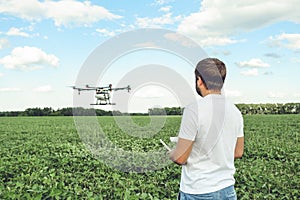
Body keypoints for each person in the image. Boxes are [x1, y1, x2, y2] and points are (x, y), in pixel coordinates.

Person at [169, 58, 244, 200]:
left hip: (198, 191)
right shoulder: (235, 111)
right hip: (227, 190)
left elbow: (180, 158)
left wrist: (171, 153)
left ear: (199, 80)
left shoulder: (193, 110)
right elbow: (238, 152)